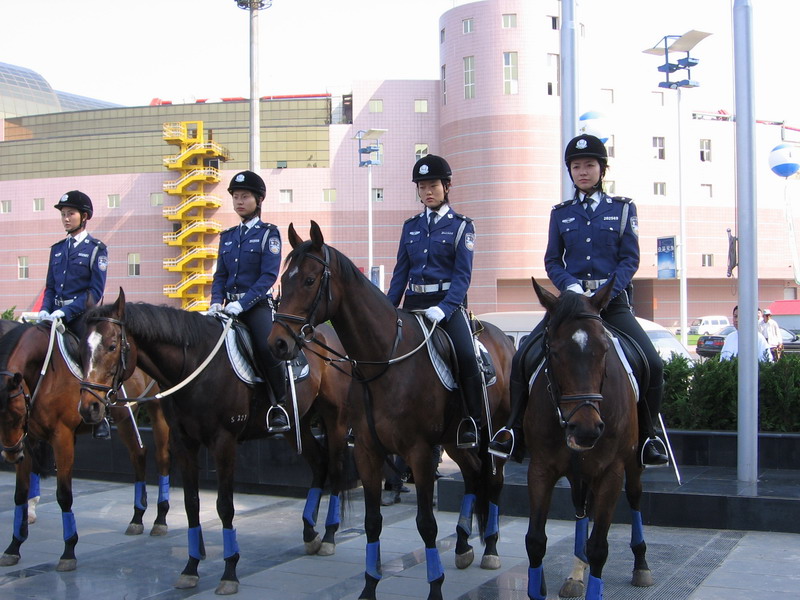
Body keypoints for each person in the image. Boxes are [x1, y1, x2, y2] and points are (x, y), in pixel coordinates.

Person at [490, 134, 669, 466]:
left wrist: (605, 294)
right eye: (576, 166)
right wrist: (570, 286)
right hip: (570, 304)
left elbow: (630, 259)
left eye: (589, 165)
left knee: (652, 363)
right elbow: (552, 261)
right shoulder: (561, 214)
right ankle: (514, 429)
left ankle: (648, 436)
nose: (583, 171)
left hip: (609, 304)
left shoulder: (623, 208)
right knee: (523, 356)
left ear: (602, 169)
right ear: (569, 172)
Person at [386, 154, 482, 449]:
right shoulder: (410, 226)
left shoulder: (462, 226)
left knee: (467, 357)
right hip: (413, 303)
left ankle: (473, 422)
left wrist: (445, 307)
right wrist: (388, 309)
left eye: (433, 186)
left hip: (446, 306)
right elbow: (400, 273)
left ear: (447, 186)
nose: (427, 192)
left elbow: (462, 277)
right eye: (422, 186)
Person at [209, 171, 290, 433]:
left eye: (245, 196)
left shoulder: (269, 234)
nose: (239, 201)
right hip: (226, 308)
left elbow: (268, 276)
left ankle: (280, 404)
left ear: (259, 199)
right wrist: (215, 302)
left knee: (268, 348)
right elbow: (220, 275)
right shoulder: (228, 236)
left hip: (254, 307)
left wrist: (241, 304)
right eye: (235, 196)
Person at [39, 190, 110, 438]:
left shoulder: (96, 249)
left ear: (85, 216)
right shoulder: (57, 249)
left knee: (93, 355)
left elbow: (94, 292)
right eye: (63, 214)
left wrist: (66, 311)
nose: (66, 218)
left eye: (70, 214)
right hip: (54, 314)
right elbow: (49, 287)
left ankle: (103, 415)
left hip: (81, 317)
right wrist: (44, 311)